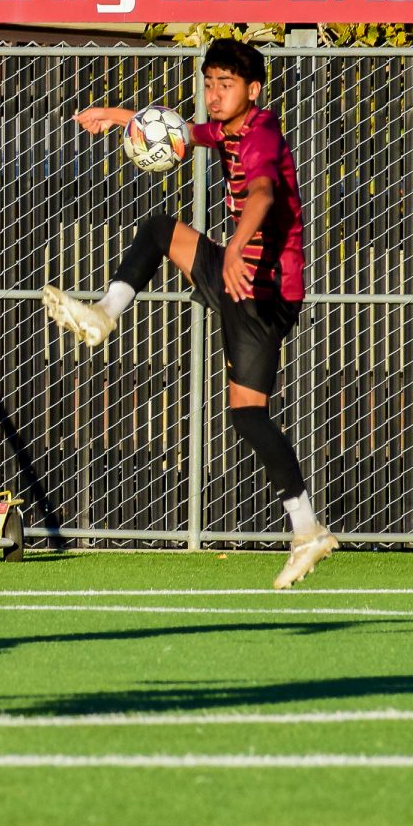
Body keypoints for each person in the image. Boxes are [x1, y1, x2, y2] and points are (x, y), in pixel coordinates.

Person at [42, 38, 337, 589]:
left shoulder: (263, 133)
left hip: (261, 287)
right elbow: (182, 132)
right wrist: (119, 116)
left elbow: (265, 194)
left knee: (161, 230)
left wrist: (233, 248)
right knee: (247, 415)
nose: (214, 94)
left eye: (226, 85)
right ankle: (308, 529)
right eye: (208, 83)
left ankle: (107, 312)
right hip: (241, 280)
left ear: (253, 90)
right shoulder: (225, 128)